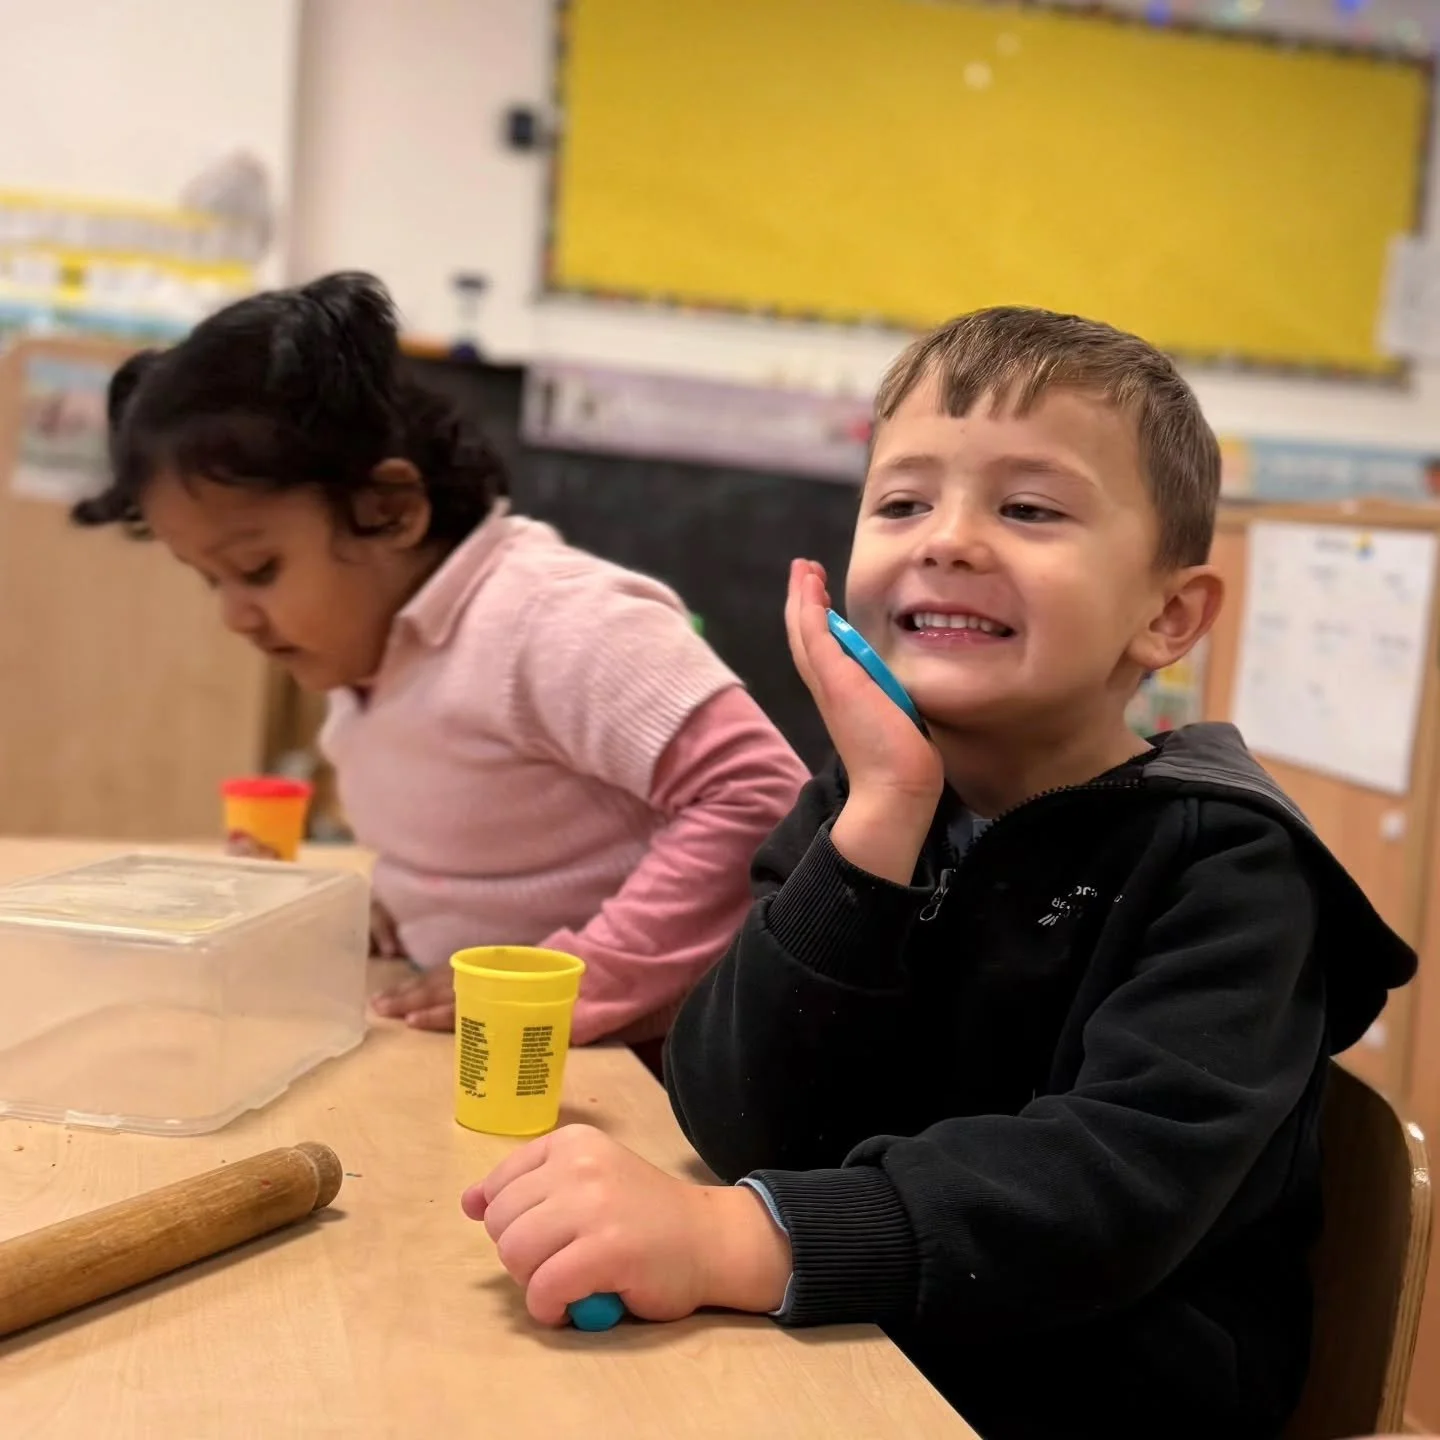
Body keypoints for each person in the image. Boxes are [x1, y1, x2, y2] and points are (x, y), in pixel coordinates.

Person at [458, 308, 1415, 1439]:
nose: (947, 540)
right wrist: (880, 819)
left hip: (1100, 1391)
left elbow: (1110, 1189)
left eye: (1028, 508)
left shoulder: (1231, 867)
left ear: (1167, 615)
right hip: (861, 1344)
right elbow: (736, 1115)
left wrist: (743, 1240)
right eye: (903, 502)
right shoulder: (866, 795)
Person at [73, 272, 808, 1049]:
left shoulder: (546, 616)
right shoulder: (377, 649)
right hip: (512, 1049)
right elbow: (496, 857)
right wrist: (375, 916)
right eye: (210, 581)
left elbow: (760, 797)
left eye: (258, 571)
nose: (234, 616)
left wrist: (576, 977)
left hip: (662, 1069)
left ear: (389, 511)